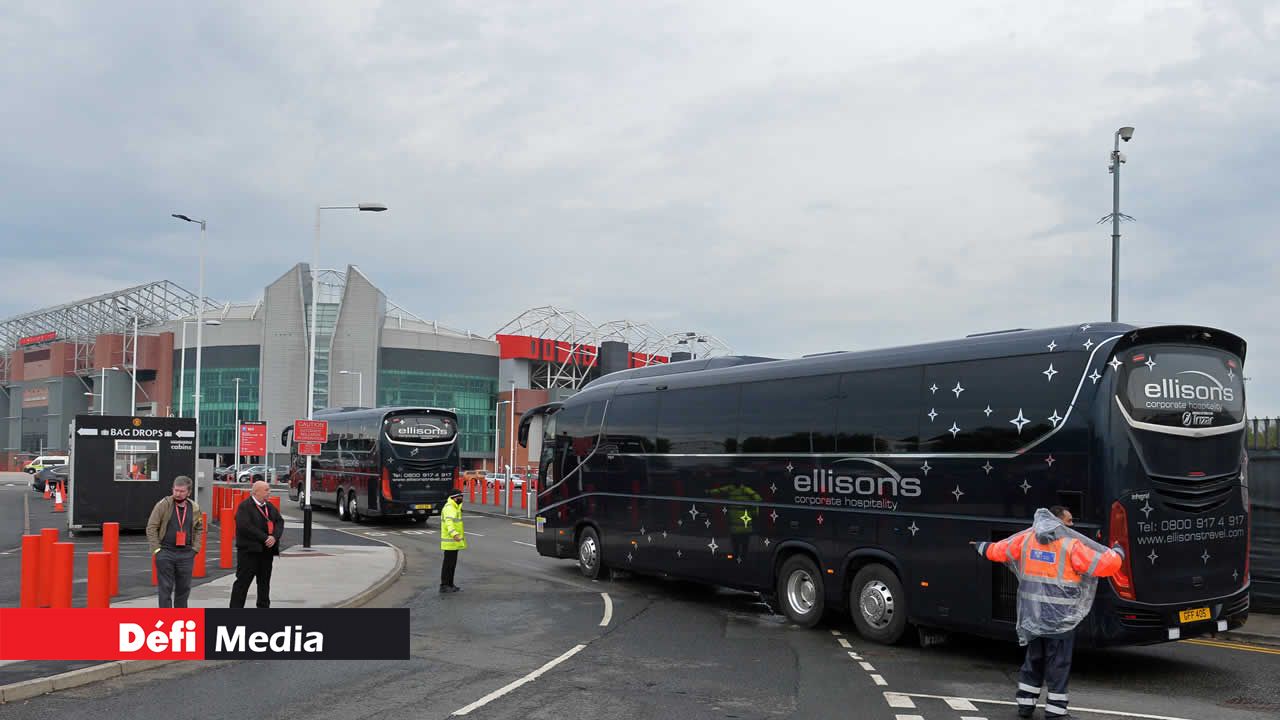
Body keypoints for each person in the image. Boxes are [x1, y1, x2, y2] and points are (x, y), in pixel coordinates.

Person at [972, 506, 1125, 719]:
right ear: (1058, 522)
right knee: (1058, 664)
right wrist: (1118, 553)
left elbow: (1000, 551)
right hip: (1060, 620)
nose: (1072, 526)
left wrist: (981, 546)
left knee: (1033, 660)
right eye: (1069, 521)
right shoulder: (1070, 545)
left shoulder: (1026, 540)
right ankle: (1055, 711)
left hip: (1033, 616)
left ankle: (1025, 705)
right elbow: (1104, 565)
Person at [146, 476, 204, 608]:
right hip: (166, 552)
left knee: (184, 589)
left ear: (189, 492)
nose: (178, 494)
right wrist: (156, 550)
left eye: (182, 491)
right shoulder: (163, 505)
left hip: (186, 554)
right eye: (176, 490)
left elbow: (199, 528)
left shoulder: (194, 507)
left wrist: (195, 549)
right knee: (165, 588)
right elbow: (151, 527)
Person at [230, 480, 284, 608]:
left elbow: (279, 522)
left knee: (264, 583)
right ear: (256, 492)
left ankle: (263, 607)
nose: (269, 492)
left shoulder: (269, 506)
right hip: (249, 552)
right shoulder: (245, 506)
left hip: (266, 552)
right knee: (243, 583)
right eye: (266, 490)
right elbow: (245, 526)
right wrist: (265, 538)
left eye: (269, 489)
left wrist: (274, 537)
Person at [439, 489, 467, 593]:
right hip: (450, 541)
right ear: (453, 498)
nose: (461, 499)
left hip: (453, 541)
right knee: (448, 564)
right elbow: (449, 523)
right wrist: (454, 534)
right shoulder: (450, 508)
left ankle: (450, 584)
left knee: (452, 564)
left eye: (461, 496)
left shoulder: (455, 507)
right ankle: (444, 585)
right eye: (459, 497)